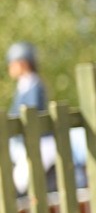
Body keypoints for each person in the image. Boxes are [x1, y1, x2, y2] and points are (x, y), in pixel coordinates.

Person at [7, 42, 55, 195]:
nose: (10, 67)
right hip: (24, 143)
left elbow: (30, 114)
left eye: (12, 64)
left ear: (22, 63)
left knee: (19, 182)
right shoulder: (23, 85)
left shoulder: (34, 85)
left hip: (40, 144)